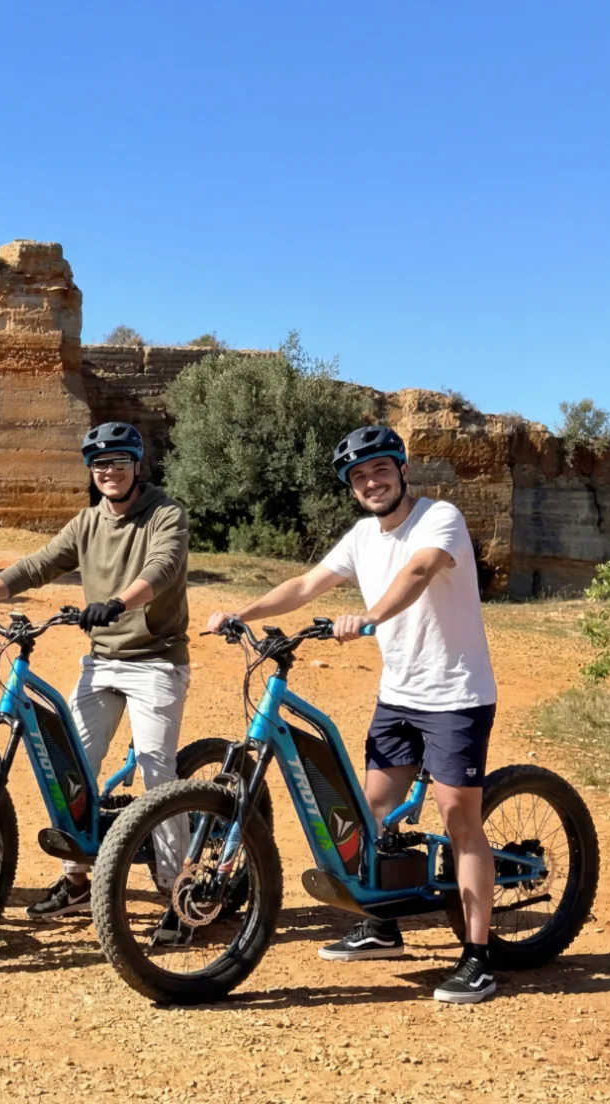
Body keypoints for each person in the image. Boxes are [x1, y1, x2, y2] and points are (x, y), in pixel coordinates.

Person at [204, 424, 500, 1004]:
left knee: (459, 822)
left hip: (455, 695)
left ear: (402, 471)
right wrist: (239, 610)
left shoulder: (441, 518)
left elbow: (417, 573)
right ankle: (384, 925)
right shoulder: (362, 535)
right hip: (400, 695)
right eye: (360, 477)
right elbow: (307, 583)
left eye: (381, 470)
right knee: (373, 813)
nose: (371, 482)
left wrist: (367, 618)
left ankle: (479, 957)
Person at [0, 422, 193, 926]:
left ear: (137, 465)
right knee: (73, 765)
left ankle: (178, 890)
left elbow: (163, 567)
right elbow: (38, 564)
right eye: (100, 464)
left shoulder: (165, 513)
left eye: (120, 461)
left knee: (155, 769)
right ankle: (78, 877)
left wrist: (119, 602)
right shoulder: (87, 522)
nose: (110, 472)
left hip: (156, 660)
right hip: (102, 661)